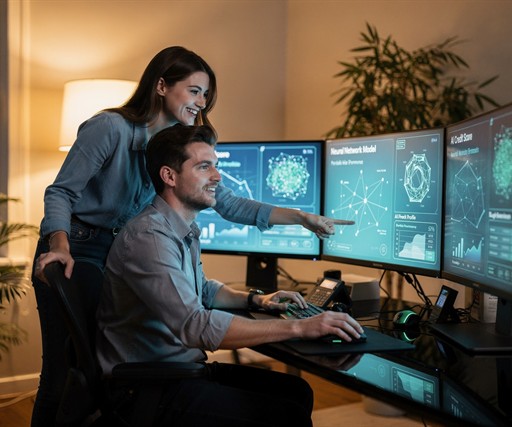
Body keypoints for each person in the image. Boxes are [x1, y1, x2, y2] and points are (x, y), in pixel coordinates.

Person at [32, 46, 349, 426]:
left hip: (120, 245)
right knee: (62, 373)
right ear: (161, 85)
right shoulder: (110, 129)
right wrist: (59, 245)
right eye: (195, 91)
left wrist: (301, 218)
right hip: (77, 243)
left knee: (105, 350)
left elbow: (228, 203)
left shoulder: (173, 158)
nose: (201, 103)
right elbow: (61, 193)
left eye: (206, 95)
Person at [96, 124, 364, 426]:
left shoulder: (178, 228)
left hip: (178, 370)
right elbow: (195, 326)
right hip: (147, 386)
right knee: (286, 415)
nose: (217, 177)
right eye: (204, 167)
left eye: (216, 166)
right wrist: (301, 328)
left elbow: (203, 291)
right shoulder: (150, 238)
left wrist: (258, 300)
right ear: (169, 176)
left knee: (296, 391)